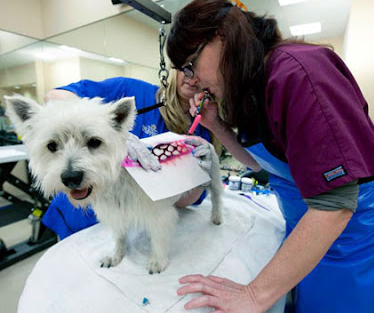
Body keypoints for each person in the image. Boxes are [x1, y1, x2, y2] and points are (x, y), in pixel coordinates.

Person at [166, 0, 374, 313]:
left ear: (221, 38)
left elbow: (336, 203)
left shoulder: (298, 72)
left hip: (352, 238)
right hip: (308, 231)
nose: (192, 82)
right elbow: (265, 166)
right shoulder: (253, 88)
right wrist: (216, 124)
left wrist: (253, 295)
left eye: (191, 67)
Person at [42, 70, 234, 239]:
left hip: (135, 227)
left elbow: (181, 203)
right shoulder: (130, 90)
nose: (192, 79)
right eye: (187, 68)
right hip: (82, 219)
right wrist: (108, 130)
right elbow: (54, 96)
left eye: (203, 71)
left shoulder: (202, 132)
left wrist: (197, 179)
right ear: (174, 67)